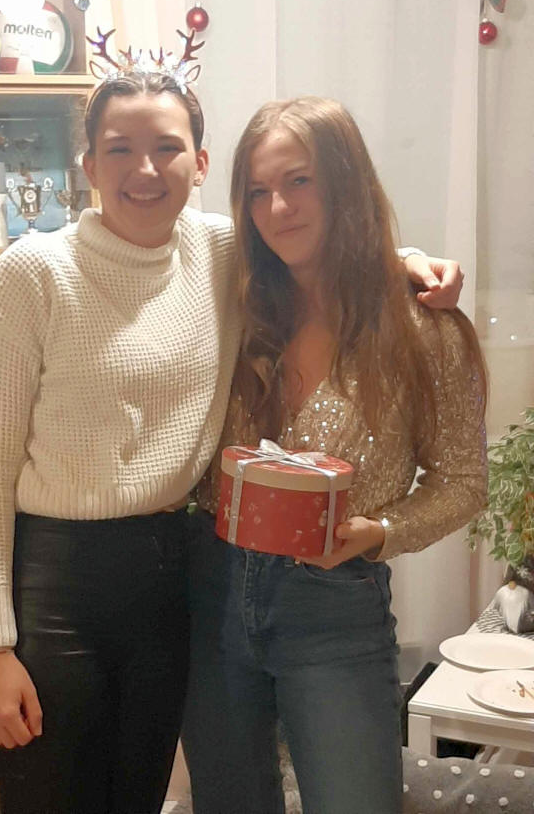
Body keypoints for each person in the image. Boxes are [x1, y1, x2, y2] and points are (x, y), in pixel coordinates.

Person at [0, 61, 464, 813]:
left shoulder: (221, 254)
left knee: (140, 796)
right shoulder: (31, 274)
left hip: (172, 585)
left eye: (165, 147)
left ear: (198, 162)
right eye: (120, 149)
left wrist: (407, 264)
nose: (144, 169)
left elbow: (322, 246)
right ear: (88, 165)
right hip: (57, 590)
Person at [182, 97, 487, 814]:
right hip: (211, 590)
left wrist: (379, 533)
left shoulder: (423, 327)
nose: (277, 208)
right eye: (258, 190)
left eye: (300, 181)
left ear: (345, 181)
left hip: (335, 605)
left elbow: (463, 481)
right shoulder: (230, 300)